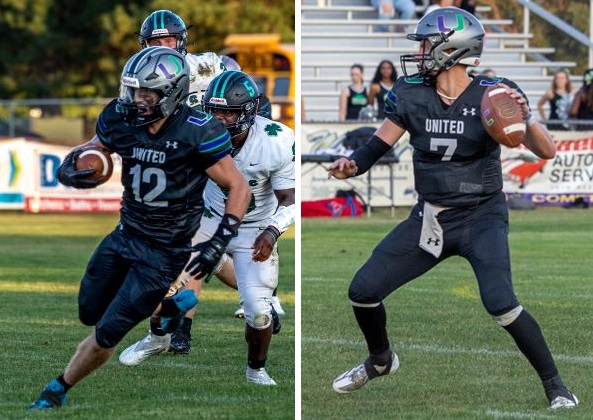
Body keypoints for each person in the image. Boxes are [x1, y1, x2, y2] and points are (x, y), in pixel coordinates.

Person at [327, 8, 578, 410]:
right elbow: (378, 144)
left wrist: (525, 118)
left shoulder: (495, 92)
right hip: (429, 217)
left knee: (501, 302)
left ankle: (556, 385)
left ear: (450, 48)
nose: (421, 52)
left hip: (481, 216)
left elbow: (546, 150)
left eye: (427, 44)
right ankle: (380, 360)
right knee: (363, 291)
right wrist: (352, 164)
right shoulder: (409, 92)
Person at [29, 46, 251, 409]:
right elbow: (94, 148)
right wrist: (71, 167)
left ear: (173, 92)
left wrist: (221, 238)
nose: (138, 99)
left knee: (107, 333)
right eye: (134, 90)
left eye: (147, 93)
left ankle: (56, 390)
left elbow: (238, 186)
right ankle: (168, 308)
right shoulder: (121, 117)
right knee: (88, 312)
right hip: (125, 235)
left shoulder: (198, 130)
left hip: (164, 253)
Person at [119, 70, 295, 386]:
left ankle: (256, 370)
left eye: (229, 112)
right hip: (208, 220)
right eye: (215, 111)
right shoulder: (196, 131)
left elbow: (290, 199)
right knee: (164, 281)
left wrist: (272, 231)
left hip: (254, 230)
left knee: (258, 311)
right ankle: (157, 337)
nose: (221, 119)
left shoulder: (276, 140)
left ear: (249, 111)